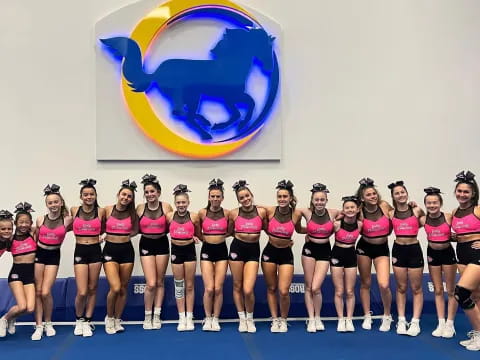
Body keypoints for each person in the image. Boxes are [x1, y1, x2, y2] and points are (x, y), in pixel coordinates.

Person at [262, 180, 302, 333]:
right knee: (272, 288)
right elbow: (254, 212)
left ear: (291, 198)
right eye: (279, 196)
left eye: (285, 196)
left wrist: (315, 233)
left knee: (284, 290)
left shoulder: (296, 214)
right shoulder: (270, 211)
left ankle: (284, 320)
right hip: (270, 252)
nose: (282, 199)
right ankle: (274, 319)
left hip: (286, 253)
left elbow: (300, 229)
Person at [34, 184, 73, 340]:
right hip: (39, 254)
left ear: (61, 202)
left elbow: (82, 228)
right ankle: (38, 325)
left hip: (54, 255)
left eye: (56, 202)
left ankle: (48, 322)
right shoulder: (40, 219)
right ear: (46, 205)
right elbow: (34, 239)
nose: (53, 205)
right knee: (38, 291)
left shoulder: (67, 219)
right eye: (50, 203)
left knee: (45, 291)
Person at [299, 183, 339, 332]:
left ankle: (318, 317)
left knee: (316, 287)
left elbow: (353, 212)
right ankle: (311, 318)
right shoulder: (306, 212)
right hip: (309, 250)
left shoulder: (333, 213)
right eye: (317, 199)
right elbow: (287, 212)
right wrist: (305, 231)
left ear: (326, 200)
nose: (319, 202)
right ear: (312, 200)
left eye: (322, 199)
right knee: (309, 286)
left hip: (324, 250)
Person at [228, 180, 267, 333]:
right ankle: (242, 319)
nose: (245, 199)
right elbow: (229, 231)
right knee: (237, 285)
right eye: (241, 198)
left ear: (251, 195)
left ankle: (250, 318)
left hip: (253, 250)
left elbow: (269, 228)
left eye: (247, 196)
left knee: (248, 288)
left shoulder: (261, 212)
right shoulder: (233, 213)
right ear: (238, 200)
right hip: (237, 249)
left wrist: (284, 240)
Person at [355, 178, 393, 331]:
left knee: (384, 284)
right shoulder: (360, 211)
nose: (373, 196)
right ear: (363, 198)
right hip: (364, 247)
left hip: (382, 248)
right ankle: (367, 315)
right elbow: (346, 222)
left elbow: (400, 214)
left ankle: (387, 315)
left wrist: (413, 206)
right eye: (369, 195)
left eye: (374, 193)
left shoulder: (384, 206)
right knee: (365, 283)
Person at [388, 181, 425, 336]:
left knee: (416, 288)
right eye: (397, 193)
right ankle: (401, 320)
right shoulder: (390, 213)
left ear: (407, 193)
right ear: (393, 197)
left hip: (414, 249)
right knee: (401, 287)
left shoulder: (416, 210)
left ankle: (415, 322)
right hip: (398, 250)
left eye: (402, 192)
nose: (400, 195)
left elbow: (429, 225)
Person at [419, 187, 457, 338]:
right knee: (438, 289)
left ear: (440, 203)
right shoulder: (423, 219)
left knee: (451, 290)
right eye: (429, 203)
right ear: (425, 204)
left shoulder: (448, 217)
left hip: (447, 253)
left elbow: (465, 226)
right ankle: (441, 322)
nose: (432, 205)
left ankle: (450, 323)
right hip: (432, 254)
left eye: (435, 202)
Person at [136, 174, 172, 330]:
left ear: (158, 192)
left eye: (152, 191)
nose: (150, 194)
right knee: (150, 283)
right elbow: (129, 225)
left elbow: (176, 225)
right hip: (146, 243)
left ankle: (157, 315)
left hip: (162, 243)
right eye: (147, 192)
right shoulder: (139, 208)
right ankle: (147, 315)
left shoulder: (166, 207)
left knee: (159, 281)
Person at [103, 180, 139, 335]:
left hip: (126, 251)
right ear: (118, 195)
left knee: (123, 289)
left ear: (132, 199)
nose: (126, 198)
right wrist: (106, 235)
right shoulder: (107, 210)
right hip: (110, 250)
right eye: (123, 194)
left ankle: (117, 319)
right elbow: (97, 224)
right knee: (115, 287)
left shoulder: (132, 214)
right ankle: (109, 317)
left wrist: (122, 235)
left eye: (129, 196)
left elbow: (136, 230)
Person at [71, 179, 105, 337]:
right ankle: (79, 319)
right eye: (85, 194)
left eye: (91, 194)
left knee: (92, 288)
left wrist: (104, 236)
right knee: (82, 290)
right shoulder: (74, 210)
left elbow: (108, 227)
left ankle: (88, 321)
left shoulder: (101, 211)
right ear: (81, 196)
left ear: (96, 195)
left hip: (95, 250)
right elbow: (59, 224)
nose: (88, 197)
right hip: (80, 250)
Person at [451, 171, 480, 351]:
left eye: (466, 192)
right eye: (459, 191)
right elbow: (462, 234)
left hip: (477, 255)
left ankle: (479, 332)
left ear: (473, 194)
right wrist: (456, 237)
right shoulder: (455, 212)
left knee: (461, 293)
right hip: (462, 254)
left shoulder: (477, 209)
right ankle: (477, 334)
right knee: (476, 296)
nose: (462, 194)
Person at [166, 184, 201, 332]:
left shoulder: (194, 216)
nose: (181, 205)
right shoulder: (169, 216)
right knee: (179, 285)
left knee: (190, 285)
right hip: (176, 251)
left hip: (189, 251)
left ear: (188, 202)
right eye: (178, 202)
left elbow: (198, 233)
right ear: (175, 203)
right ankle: (181, 316)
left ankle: (189, 316)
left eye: (183, 202)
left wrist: (195, 237)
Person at [0, 205, 36, 339]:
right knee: (22, 306)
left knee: (30, 308)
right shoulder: (10, 239)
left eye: (27, 222)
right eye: (21, 222)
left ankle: (11, 318)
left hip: (29, 275)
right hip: (16, 274)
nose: (24, 225)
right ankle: (4, 319)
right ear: (16, 223)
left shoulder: (33, 233)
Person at [199, 179, 229, 331]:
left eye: (218, 196)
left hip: (222, 251)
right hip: (207, 250)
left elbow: (231, 230)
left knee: (218, 288)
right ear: (209, 197)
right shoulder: (202, 213)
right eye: (213, 196)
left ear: (222, 198)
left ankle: (216, 318)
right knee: (209, 288)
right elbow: (198, 231)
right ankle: (208, 318)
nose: (215, 199)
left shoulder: (227, 213)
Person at [331, 196, 362, 332]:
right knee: (339, 291)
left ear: (357, 209)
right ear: (343, 210)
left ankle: (349, 319)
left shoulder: (360, 224)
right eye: (347, 208)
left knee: (349, 291)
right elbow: (323, 235)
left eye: (352, 207)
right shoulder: (337, 224)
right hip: (337, 254)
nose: (350, 210)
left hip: (351, 255)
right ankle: (340, 319)